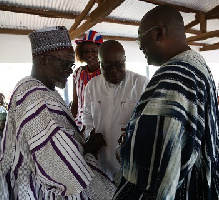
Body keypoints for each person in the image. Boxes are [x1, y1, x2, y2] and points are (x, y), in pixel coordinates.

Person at [114, 5, 219, 199]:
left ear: (159, 33)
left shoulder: (175, 75)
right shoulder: (196, 65)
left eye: (140, 37)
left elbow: (157, 162)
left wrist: (125, 150)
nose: (140, 45)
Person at [0, 26, 116, 199]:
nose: (70, 70)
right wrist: (90, 147)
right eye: (65, 63)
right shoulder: (33, 95)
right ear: (44, 60)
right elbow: (57, 163)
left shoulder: (46, 90)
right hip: (35, 188)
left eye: (72, 64)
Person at [82, 40, 149, 181]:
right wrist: (90, 136)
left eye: (119, 65)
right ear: (99, 64)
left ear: (125, 61)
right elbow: (87, 117)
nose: (114, 70)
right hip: (100, 167)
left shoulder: (141, 84)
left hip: (129, 169)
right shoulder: (92, 87)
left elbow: (150, 124)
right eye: (108, 66)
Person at [71, 30, 103, 131]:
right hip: (79, 125)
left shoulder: (106, 73)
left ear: (101, 52)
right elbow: (75, 103)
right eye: (86, 51)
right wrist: (71, 126)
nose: (89, 55)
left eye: (94, 51)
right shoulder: (77, 73)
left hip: (100, 124)